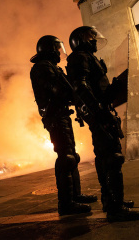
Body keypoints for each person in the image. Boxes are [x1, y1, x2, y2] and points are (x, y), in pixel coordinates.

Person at [65, 26, 139, 222]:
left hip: (101, 112)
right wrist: (99, 112)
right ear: (81, 39)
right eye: (91, 37)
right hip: (99, 115)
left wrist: (114, 88)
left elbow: (96, 89)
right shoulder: (80, 57)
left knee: (105, 158)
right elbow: (81, 88)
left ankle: (111, 200)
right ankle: (116, 207)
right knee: (113, 158)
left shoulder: (87, 57)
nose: (94, 40)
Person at [30, 35, 97, 216]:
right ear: (50, 50)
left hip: (61, 115)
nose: (60, 53)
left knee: (71, 155)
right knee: (65, 157)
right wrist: (73, 89)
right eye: (57, 49)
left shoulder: (51, 67)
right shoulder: (42, 68)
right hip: (55, 116)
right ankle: (66, 203)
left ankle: (75, 195)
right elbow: (57, 90)